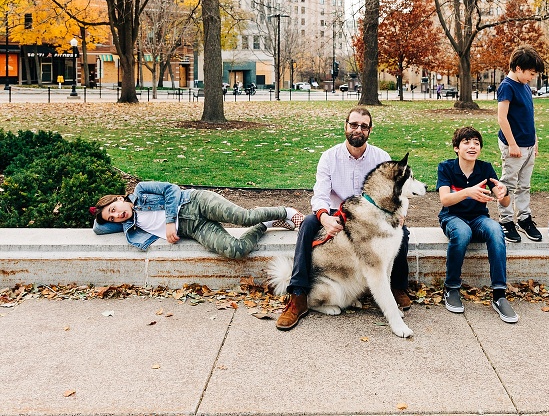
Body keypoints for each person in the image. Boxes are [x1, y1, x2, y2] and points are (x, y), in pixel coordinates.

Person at [276, 107, 412, 331]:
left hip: (370, 217)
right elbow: (319, 196)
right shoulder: (330, 157)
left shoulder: (382, 158)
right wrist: (324, 218)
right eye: (354, 125)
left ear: (370, 131)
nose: (358, 130)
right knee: (309, 223)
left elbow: (395, 192)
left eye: (364, 126)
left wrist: (399, 214)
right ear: (346, 126)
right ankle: (298, 295)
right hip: (335, 213)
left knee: (402, 234)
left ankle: (397, 287)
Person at [92, 182, 304, 259]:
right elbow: (98, 229)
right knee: (235, 250)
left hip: (196, 202)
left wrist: (168, 221)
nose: (116, 215)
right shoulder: (131, 226)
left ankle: (284, 211)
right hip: (194, 228)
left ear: (119, 198)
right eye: (112, 217)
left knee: (243, 217)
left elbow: (171, 189)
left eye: (113, 208)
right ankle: (266, 224)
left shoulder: (140, 191)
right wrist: (99, 212)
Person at [437, 126, 519, 323]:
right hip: (452, 217)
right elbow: (445, 200)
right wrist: (468, 192)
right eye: (466, 142)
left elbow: (505, 202)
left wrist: (503, 193)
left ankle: (499, 295)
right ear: (457, 148)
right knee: (462, 233)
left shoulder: (485, 168)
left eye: (476, 143)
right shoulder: (446, 167)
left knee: (496, 229)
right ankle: (452, 288)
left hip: (478, 218)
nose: (472, 146)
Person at [497, 45, 545, 244]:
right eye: (531, 73)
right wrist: (513, 144)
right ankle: (506, 221)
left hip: (528, 145)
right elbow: (502, 118)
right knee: (508, 183)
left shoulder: (524, 85)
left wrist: (535, 140)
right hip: (513, 147)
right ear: (518, 68)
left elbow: (528, 116)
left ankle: (524, 218)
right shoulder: (507, 86)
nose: (532, 77)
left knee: (524, 185)